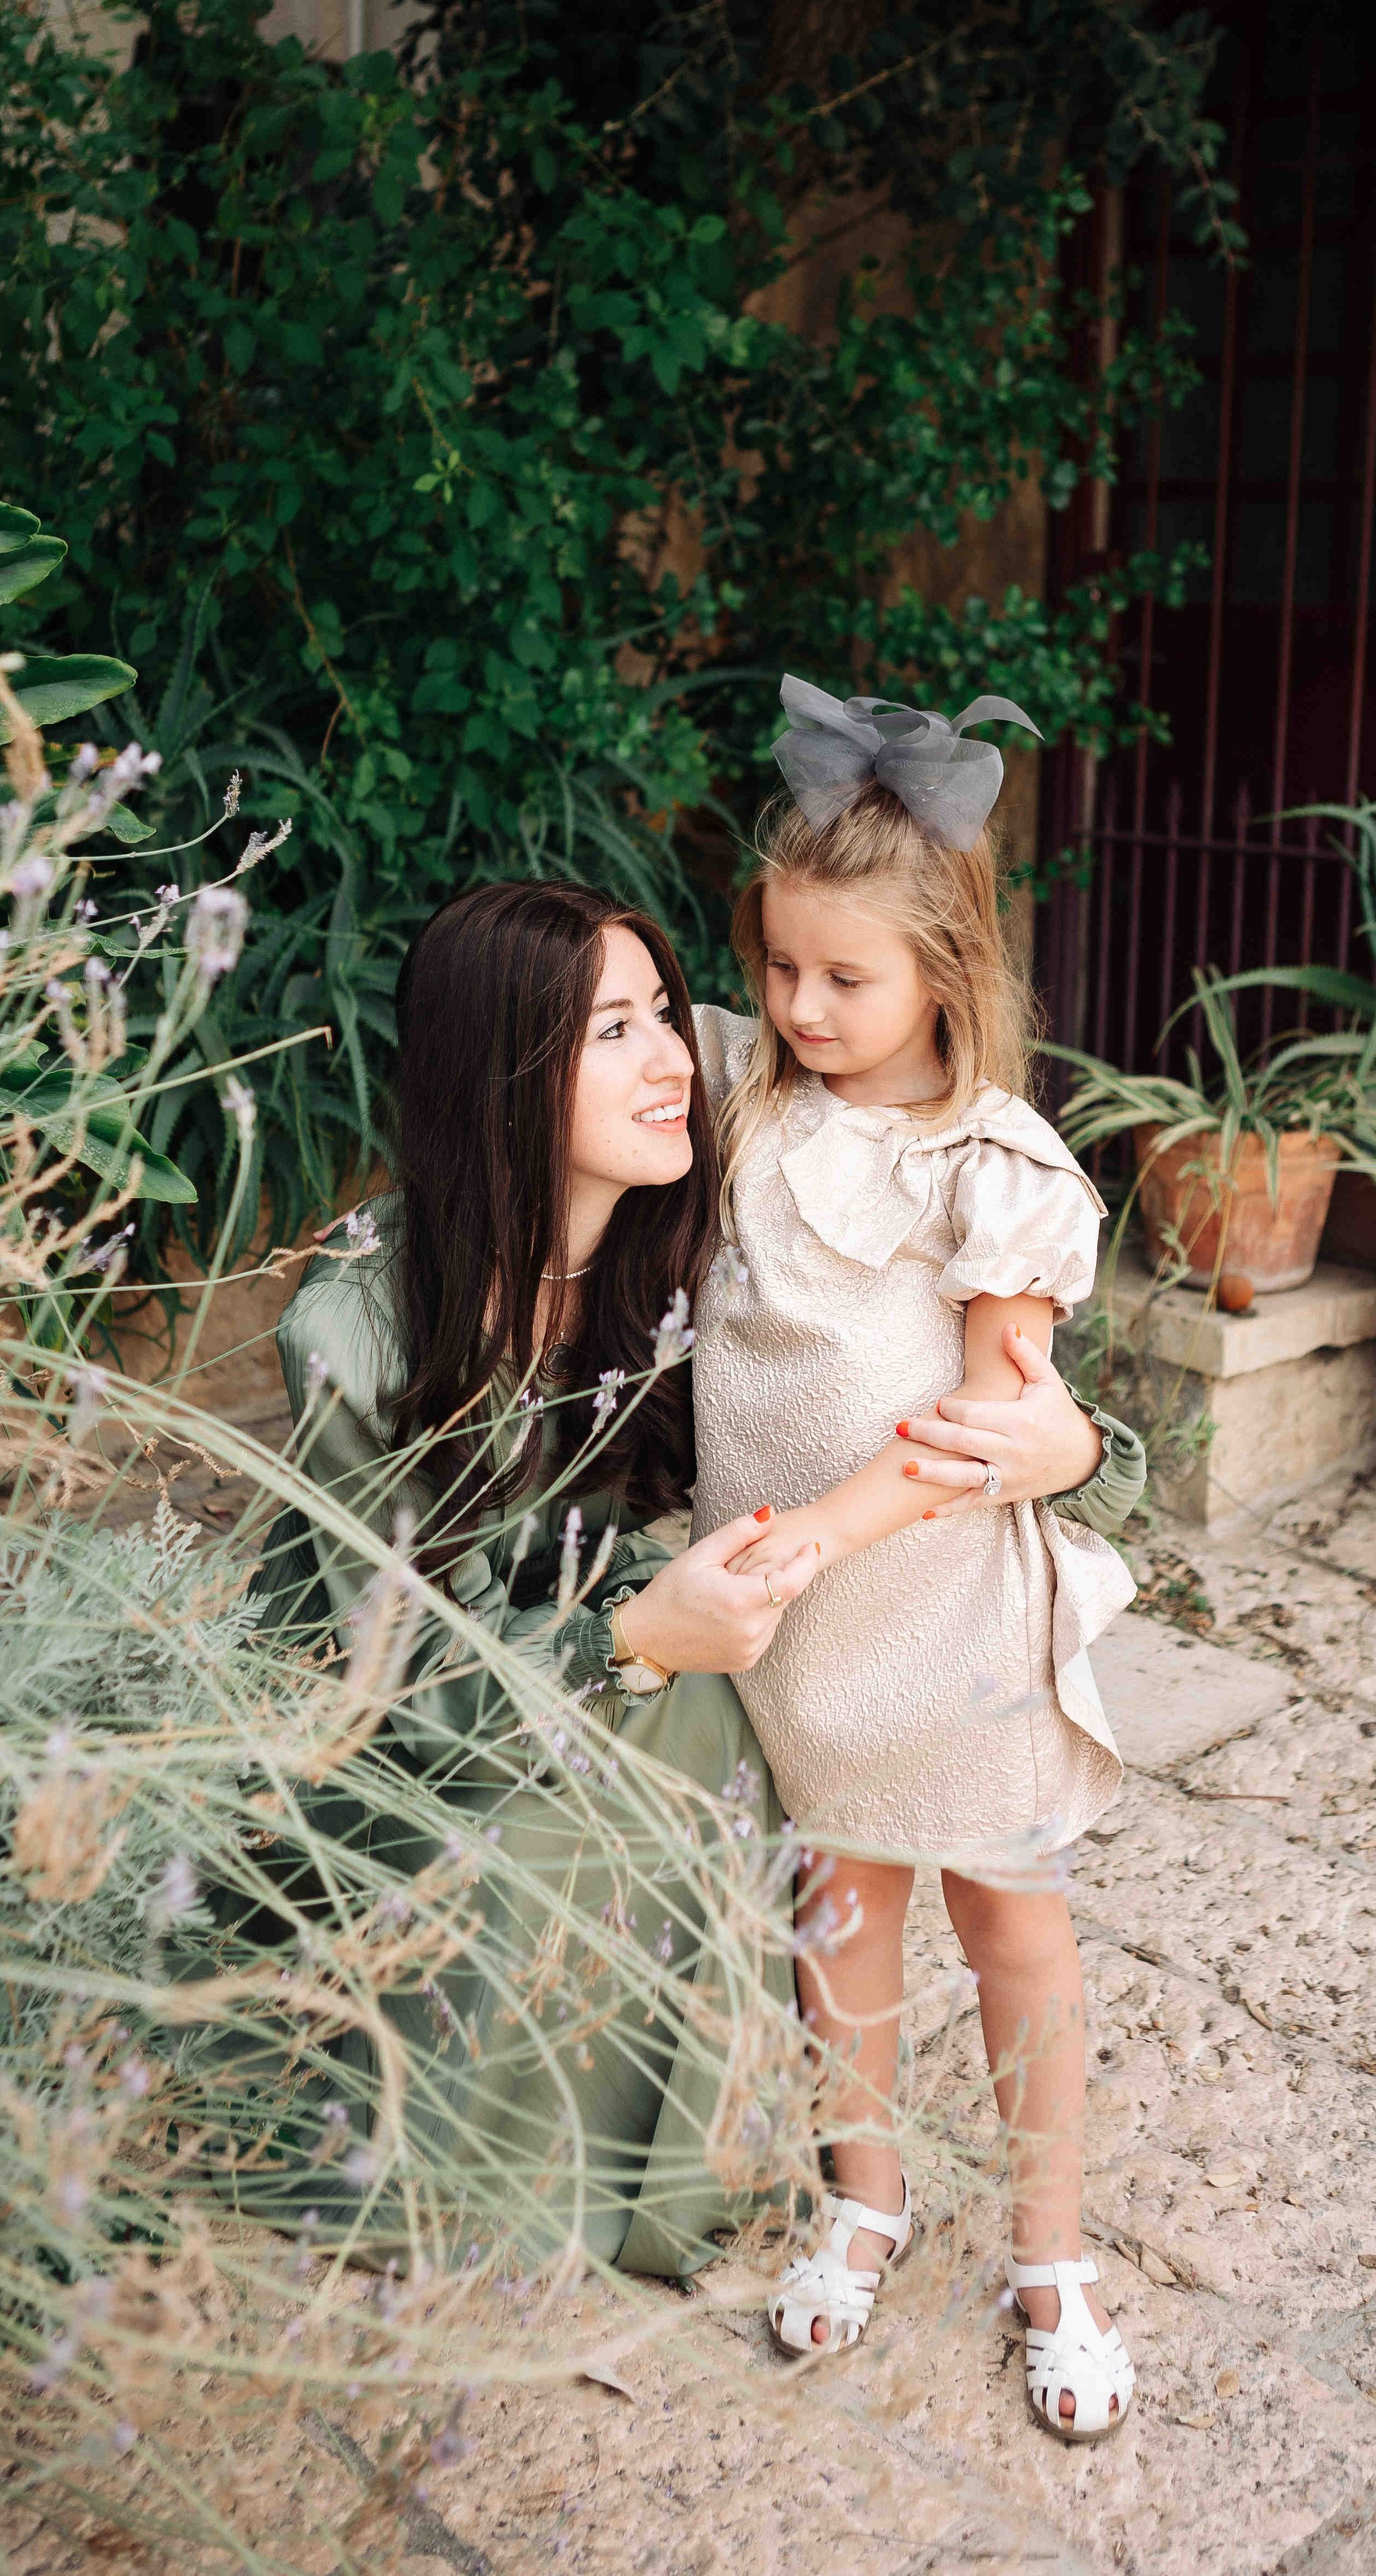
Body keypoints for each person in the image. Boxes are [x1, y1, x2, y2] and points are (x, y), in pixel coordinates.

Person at [259, 876, 1145, 2282]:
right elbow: (390, 1696)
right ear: (498, 1076)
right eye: (610, 1033)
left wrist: (1081, 1441)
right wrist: (636, 1637)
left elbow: (921, 1369)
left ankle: (829, 2162)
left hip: (657, 1668)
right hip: (428, 1757)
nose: (680, 1056)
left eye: (664, 1012)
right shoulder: (358, 1333)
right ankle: (539, 2147)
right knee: (689, 1741)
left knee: (754, 1730)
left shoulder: (684, 1230)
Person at [692, 676, 1138, 2438]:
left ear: (943, 971)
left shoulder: (989, 1165)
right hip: (798, 1640)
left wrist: (808, 1535)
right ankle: (861, 2193)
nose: (802, 1008)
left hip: (936, 1617)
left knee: (1008, 1923)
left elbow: (984, 1427)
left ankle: (1048, 2253)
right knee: (835, 1914)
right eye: (780, 969)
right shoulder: (745, 1098)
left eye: (845, 979)